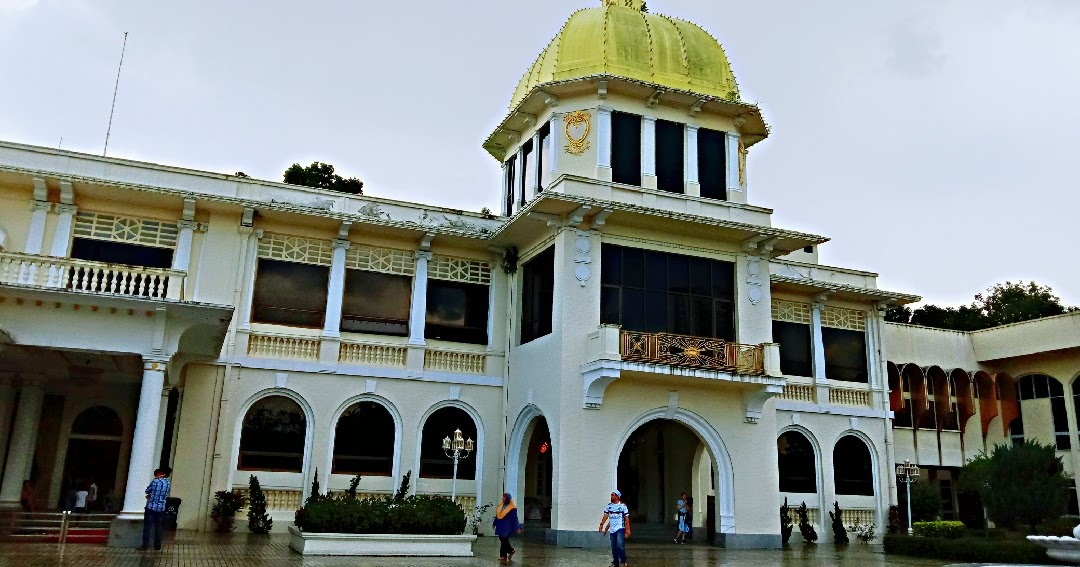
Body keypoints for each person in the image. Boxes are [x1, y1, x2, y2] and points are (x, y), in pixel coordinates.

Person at [140, 468, 170, 551]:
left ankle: (145, 545)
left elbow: (147, 490)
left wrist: (150, 495)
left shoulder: (155, 482)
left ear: (160, 473)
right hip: (161, 508)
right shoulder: (167, 483)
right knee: (158, 527)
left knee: (147, 527)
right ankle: (157, 546)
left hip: (151, 507)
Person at [599, 490, 630, 567]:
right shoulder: (609, 506)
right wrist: (602, 525)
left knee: (620, 545)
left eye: (613, 495)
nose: (611, 496)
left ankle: (623, 560)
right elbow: (607, 517)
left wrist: (627, 529)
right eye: (611, 495)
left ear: (617, 496)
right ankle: (616, 563)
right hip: (612, 530)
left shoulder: (623, 506)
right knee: (614, 547)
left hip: (620, 528)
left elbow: (626, 518)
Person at [492, 492, 522, 563]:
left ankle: (504, 555)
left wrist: (518, 527)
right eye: (503, 497)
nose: (503, 498)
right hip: (500, 524)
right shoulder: (500, 505)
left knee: (504, 538)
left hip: (507, 526)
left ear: (508, 499)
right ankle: (510, 550)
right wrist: (494, 523)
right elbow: (497, 516)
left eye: (504, 497)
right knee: (502, 539)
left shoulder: (512, 508)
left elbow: (515, 518)